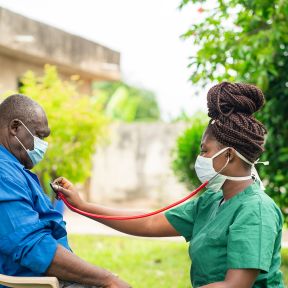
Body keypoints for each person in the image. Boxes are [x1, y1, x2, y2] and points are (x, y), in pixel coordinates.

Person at [53, 82, 284, 288]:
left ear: (229, 156)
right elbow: (149, 222)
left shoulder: (256, 210)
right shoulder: (212, 202)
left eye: (204, 150)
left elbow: (236, 285)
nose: (200, 157)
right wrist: (83, 206)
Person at [0, 94, 131, 288]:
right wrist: (107, 279)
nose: (43, 146)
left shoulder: (16, 169)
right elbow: (33, 246)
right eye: (39, 136)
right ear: (15, 128)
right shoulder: (4, 173)